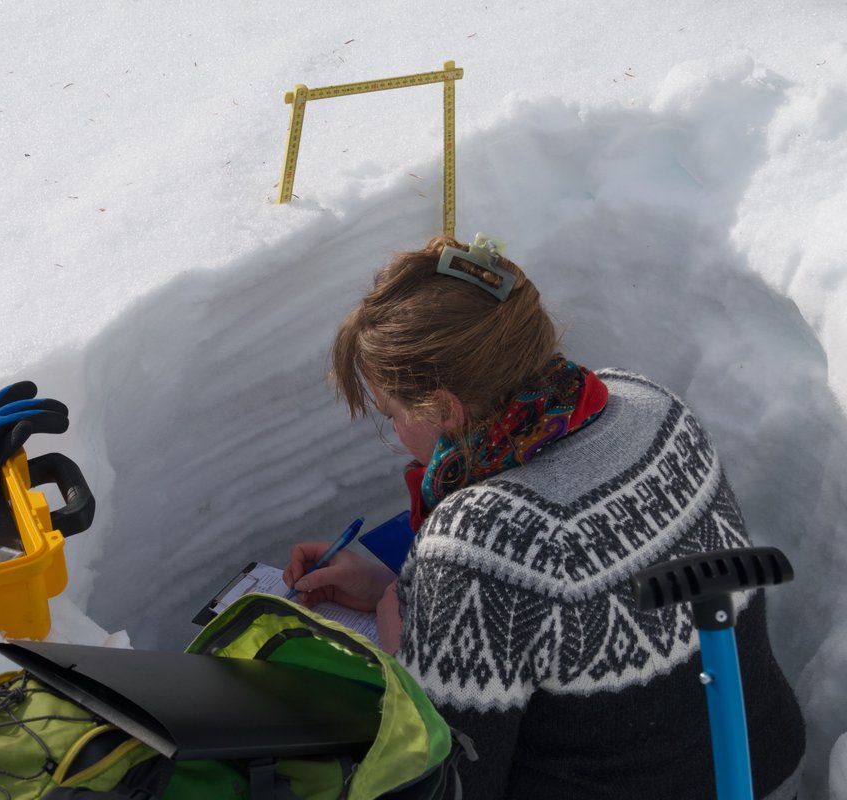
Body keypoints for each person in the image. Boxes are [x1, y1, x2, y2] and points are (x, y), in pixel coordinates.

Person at [283, 234, 805, 799]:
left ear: (445, 408)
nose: (394, 431)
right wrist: (406, 590)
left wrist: (398, 656)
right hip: (760, 764)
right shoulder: (650, 405)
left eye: (392, 414)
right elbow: (574, 602)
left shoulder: (477, 543)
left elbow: (446, 783)